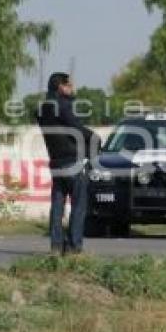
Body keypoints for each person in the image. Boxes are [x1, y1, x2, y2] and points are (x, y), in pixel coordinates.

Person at [36, 73, 97, 255]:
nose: (73, 89)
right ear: (61, 87)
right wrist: (95, 139)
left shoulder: (41, 109)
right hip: (72, 161)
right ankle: (73, 247)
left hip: (55, 162)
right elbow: (76, 129)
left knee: (57, 206)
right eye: (70, 85)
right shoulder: (62, 106)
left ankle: (56, 246)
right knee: (79, 205)